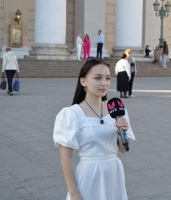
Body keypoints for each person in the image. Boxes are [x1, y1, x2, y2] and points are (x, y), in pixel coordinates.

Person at [53, 59, 135, 200]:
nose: (104, 83)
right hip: (89, 174)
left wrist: (123, 131)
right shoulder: (72, 113)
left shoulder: (117, 109)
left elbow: (122, 149)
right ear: (83, 81)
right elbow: (65, 157)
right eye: (98, 78)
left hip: (114, 172)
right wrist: (73, 193)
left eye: (108, 78)